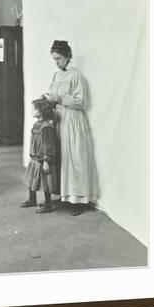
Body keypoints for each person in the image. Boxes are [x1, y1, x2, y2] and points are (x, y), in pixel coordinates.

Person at [43, 40, 100, 216]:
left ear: (68, 56)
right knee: (60, 157)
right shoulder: (56, 75)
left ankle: (78, 200)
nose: (57, 62)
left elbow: (82, 101)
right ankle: (63, 195)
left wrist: (59, 99)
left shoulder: (76, 76)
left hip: (73, 121)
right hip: (59, 119)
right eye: (54, 59)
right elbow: (53, 95)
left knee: (74, 157)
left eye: (59, 58)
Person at [20, 98, 58, 213]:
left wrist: (47, 160)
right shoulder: (37, 124)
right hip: (35, 158)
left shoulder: (46, 127)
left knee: (46, 183)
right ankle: (32, 199)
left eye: (34, 109)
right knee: (32, 179)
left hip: (43, 159)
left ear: (41, 111)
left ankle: (48, 204)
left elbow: (48, 145)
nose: (32, 111)